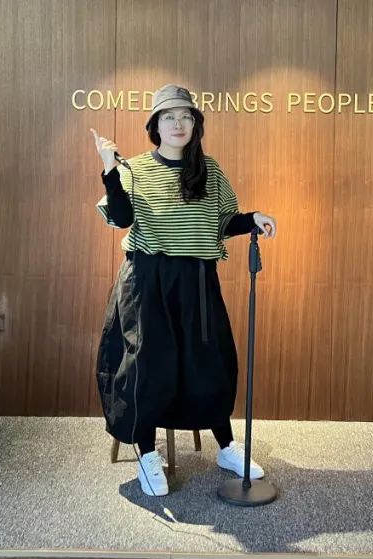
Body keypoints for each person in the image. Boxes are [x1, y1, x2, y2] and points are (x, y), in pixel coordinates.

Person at [91, 84, 277, 497]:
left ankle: (226, 447)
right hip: (147, 280)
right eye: (169, 117)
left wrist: (253, 218)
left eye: (186, 117)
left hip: (197, 279)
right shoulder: (134, 169)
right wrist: (109, 168)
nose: (178, 124)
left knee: (209, 361)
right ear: (155, 126)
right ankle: (146, 452)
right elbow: (121, 218)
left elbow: (223, 221)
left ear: (195, 124)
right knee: (148, 366)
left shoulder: (209, 170)